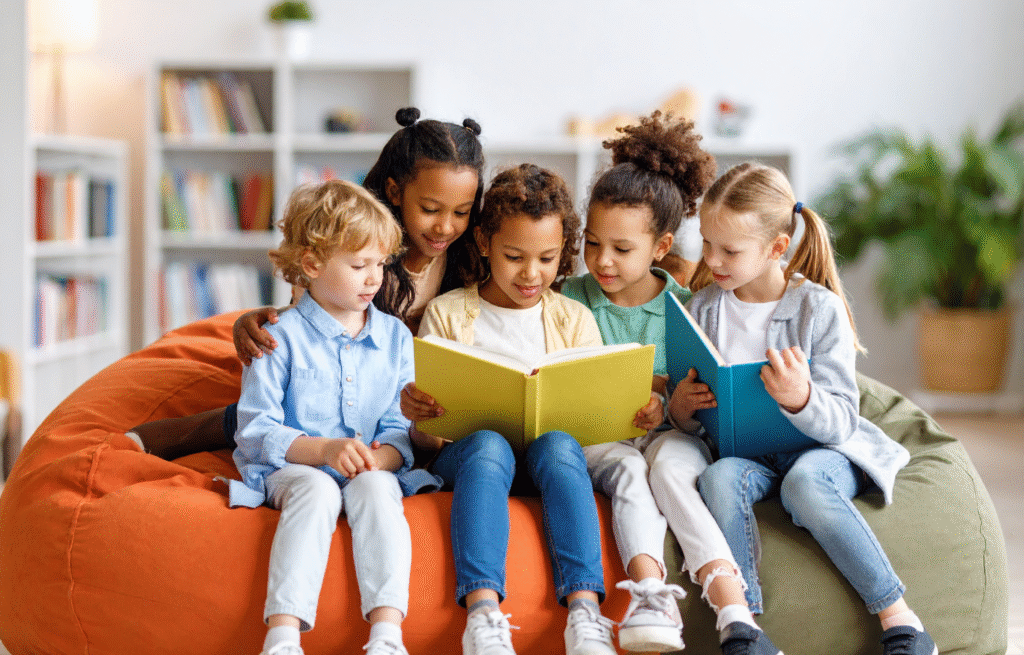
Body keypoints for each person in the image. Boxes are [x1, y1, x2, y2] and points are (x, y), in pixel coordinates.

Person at [678, 162, 936, 655]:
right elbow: (695, 422)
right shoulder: (704, 308)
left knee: (804, 483)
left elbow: (841, 419)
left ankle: (901, 621)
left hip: (819, 452)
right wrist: (682, 409)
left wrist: (801, 397)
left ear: (777, 248)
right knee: (718, 478)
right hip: (747, 456)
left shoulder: (818, 309)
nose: (712, 260)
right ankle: (745, 628)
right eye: (706, 244)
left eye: (729, 249)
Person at [127, 107, 486, 460]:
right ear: (394, 192)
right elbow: (313, 319)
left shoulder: (471, 261)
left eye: (461, 212)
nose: (445, 227)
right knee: (291, 407)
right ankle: (182, 432)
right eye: (430, 209)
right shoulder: (351, 243)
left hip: (406, 394)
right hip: (340, 374)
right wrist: (254, 321)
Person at [561, 112, 780, 655]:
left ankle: (734, 609)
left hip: (667, 437)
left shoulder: (686, 310)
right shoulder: (567, 300)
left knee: (672, 469)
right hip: (599, 439)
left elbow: (695, 404)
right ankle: (649, 594)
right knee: (634, 467)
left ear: (660, 247)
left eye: (622, 248)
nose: (602, 261)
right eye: (592, 244)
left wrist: (671, 406)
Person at [401, 164, 617, 655]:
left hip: (550, 456)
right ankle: (483, 613)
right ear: (483, 242)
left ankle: (584, 612)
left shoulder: (574, 318)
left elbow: (592, 425)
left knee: (560, 445)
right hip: (474, 459)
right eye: (514, 256)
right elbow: (428, 444)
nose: (532, 274)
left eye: (547, 258)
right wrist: (421, 417)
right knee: (489, 446)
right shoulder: (448, 313)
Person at [228, 179, 440, 655]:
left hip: (370, 467)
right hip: (293, 468)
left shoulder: (395, 338)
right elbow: (256, 429)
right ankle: (282, 637)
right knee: (318, 486)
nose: (374, 279)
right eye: (359, 265)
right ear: (312, 264)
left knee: (376, 489)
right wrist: (322, 450)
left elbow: (396, 424)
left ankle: (387, 635)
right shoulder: (277, 336)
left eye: (380, 265)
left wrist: (380, 460)